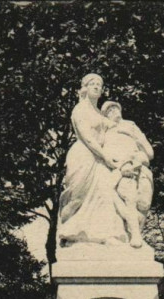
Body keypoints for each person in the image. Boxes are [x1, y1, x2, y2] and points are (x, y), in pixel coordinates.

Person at [57, 74, 129, 247]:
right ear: (85, 88)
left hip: (101, 160)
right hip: (84, 156)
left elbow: (116, 127)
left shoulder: (99, 113)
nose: (97, 87)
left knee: (105, 195)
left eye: (100, 84)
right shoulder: (80, 110)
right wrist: (107, 158)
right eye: (92, 84)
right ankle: (65, 232)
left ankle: (106, 235)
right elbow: (88, 139)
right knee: (77, 198)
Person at [100, 101, 154, 247]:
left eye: (115, 108)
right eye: (108, 111)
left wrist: (134, 139)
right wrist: (122, 165)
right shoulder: (106, 132)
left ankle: (136, 233)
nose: (113, 111)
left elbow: (149, 153)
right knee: (129, 199)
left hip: (140, 168)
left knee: (144, 204)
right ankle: (135, 236)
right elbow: (106, 156)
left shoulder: (131, 126)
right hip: (122, 170)